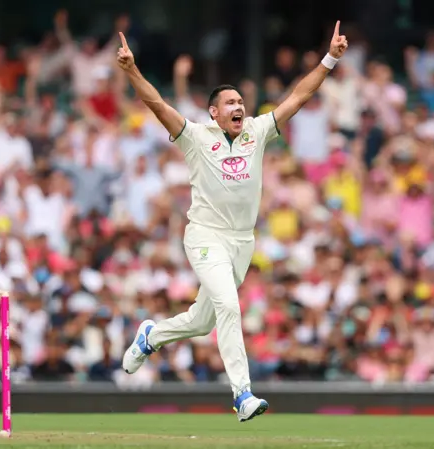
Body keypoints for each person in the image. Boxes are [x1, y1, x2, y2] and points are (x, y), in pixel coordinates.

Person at [117, 23, 348, 421]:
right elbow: (157, 104)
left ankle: (151, 336)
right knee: (229, 306)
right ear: (214, 112)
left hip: (242, 242)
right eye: (230, 103)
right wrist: (132, 70)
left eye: (241, 101)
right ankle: (242, 394)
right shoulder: (194, 136)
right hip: (205, 236)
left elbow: (300, 95)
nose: (239, 106)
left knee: (203, 319)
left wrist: (330, 59)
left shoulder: (257, 131)